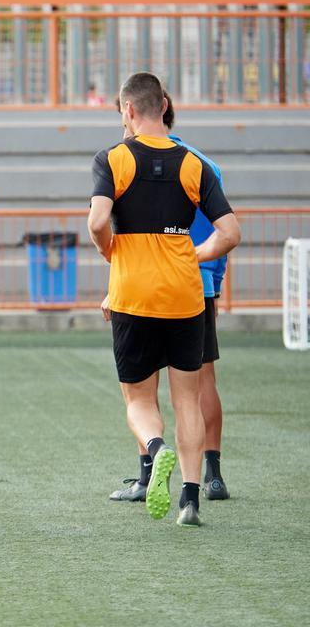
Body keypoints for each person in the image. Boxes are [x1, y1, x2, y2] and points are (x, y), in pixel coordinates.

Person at [89, 73, 240, 527]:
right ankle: (190, 499)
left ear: (129, 110)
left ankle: (156, 450)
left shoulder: (112, 158)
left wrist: (111, 252)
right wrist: (196, 252)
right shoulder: (195, 164)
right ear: (163, 107)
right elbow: (230, 233)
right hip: (185, 294)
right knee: (188, 399)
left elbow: (98, 223)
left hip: (133, 293)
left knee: (138, 399)